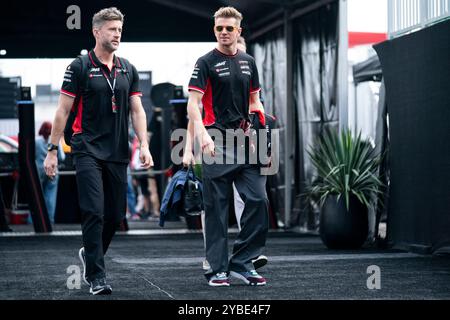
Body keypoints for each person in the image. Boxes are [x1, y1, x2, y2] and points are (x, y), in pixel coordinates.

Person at [44, 7, 153, 295]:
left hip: (116, 150)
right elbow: (62, 111)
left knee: (116, 213)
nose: (117, 34)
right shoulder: (78, 67)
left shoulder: (128, 68)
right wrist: (52, 150)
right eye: (112, 29)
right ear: (96, 31)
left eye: (119, 29)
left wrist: (144, 144)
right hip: (86, 147)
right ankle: (97, 276)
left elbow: (137, 109)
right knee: (93, 211)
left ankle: (90, 254)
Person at [183, 7, 269, 287]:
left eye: (229, 28)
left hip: (245, 141)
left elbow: (255, 102)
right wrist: (202, 136)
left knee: (258, 200)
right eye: (219, 28)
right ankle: (218, 269)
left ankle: (243, 263)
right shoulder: (204, 62)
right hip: (215, 141)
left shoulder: (248, 62)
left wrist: (260, 129)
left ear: (238, 31)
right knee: (217, 210)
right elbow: (192, 104)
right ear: (215, 30)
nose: (223, 32)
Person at [200, 35, 268, 272]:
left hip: (246, 142)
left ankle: (245, 255)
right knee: (215, 205)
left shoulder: (248, 67)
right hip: (216, 141)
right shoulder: (208, 67)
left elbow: (257, 108)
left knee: (253, 199)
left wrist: (262, 143)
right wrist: (192, 145)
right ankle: (214, 259)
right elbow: (195, 112)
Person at [35, 121, 64, 224]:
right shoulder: (54, 141)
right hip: (53, 170)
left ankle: (34, 220)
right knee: (51, 196)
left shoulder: (36, 141)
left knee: (37, 195)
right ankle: (50, 219)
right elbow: (61, 157)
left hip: (38, 171)